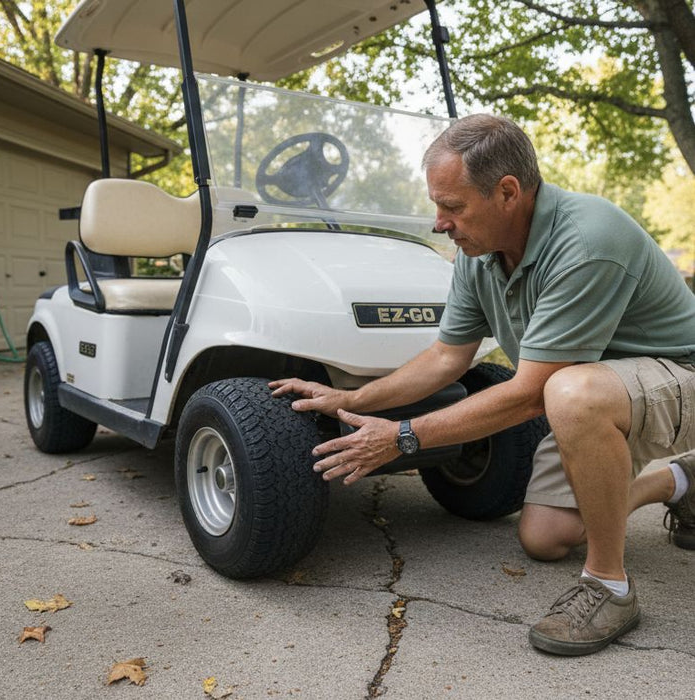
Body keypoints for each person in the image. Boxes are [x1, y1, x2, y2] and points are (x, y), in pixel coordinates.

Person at [269, 114, 695, 656]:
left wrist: (402, 436)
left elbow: (530, 392)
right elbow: (446, 357)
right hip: (606, 392)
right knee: (544, 537)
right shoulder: (480, 253)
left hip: (681, 374)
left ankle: (609, 587)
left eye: (453, 206)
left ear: (508, 192)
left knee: (567, 393)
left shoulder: (588, 238)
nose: (439, 223)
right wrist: (351, 397)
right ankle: (682, 481)